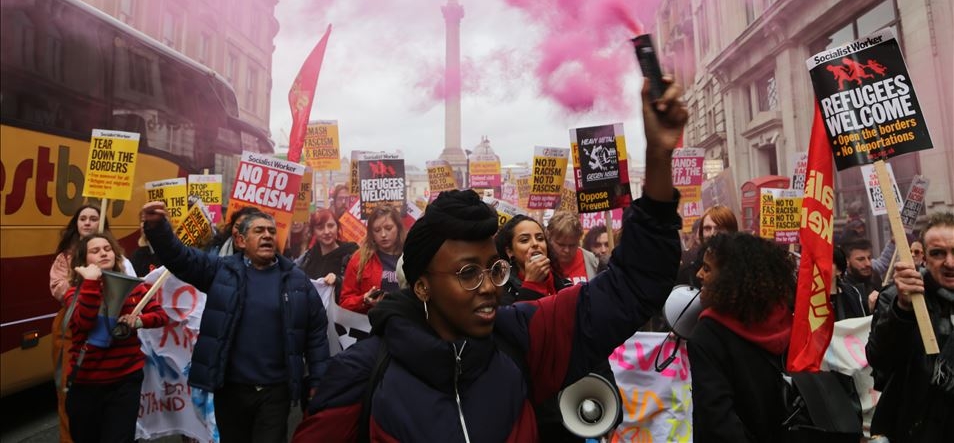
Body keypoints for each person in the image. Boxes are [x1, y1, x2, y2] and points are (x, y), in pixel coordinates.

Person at [293, 77, 687, 441]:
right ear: (422, 285)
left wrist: (658, 156)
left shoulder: (522, 338)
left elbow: (634, 285)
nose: (488, 287)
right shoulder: (363, 373)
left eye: (494, 269)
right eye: (467, 273)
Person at [141, 204, 330, 443]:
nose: (267, 236)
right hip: (231, 389)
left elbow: (316, 335)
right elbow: (180, 258)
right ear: (240, 240)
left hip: (275, 391)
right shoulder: (221, 271)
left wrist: (318, 382)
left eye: (271, 231)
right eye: (259, 231)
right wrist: (158, 228)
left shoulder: (297, 281)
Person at [496, 215, 614, 442]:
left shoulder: (564, 288)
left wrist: (609, 396)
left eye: (539, 238)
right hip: (531, 411)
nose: (535, 244)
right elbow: (517, 344)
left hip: (570, 409)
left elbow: (590, 343)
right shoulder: (500, 294)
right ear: (509, 251)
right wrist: (531, 287)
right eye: (524, 240)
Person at [687, 232, 797, 442]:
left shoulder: (708, 334)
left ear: (730, 278)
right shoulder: (787, 322)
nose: (699, 274)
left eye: (707, 269)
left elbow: (716, 421)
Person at [64, 232, 170, 443]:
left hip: (125, 382)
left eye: (107, 249)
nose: (104, 253)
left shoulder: (135, 288)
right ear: (84, 260)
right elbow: (85, 322)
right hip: (86, 383)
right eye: (95, 251)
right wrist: (91, 283)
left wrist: (138, 321)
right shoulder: (74, 294)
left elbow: (161, 316)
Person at [49, 204, 136, 443]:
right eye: (83, 218)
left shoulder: (117, 257)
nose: (87, 222)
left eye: (93, 218)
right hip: (72, 325)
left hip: (111, 327)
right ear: (76, 224)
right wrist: (85, 286)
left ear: (102, 224)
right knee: (68, 388)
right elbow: (58, 288)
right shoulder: (64, 258)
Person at [866, 211, 954, 443]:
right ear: (924, 257)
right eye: (938, 253)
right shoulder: (897, 297)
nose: (949, 262)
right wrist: (903, 309)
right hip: (913, 428)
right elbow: (879, 360)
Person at [339, 205, 405, 314]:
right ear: (371, 233)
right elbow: (344, 302)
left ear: (398, 228)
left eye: (388, 228)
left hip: (406, 318)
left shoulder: (411, 254)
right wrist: (364, 299)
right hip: (371, 320)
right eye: (377, 230)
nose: (383, 235)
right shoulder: (359, 259)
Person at [296, 208, 359, 302]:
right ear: (313, 231)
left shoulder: (350, 253)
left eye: (331, 226)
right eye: (320, 228)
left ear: (337, 226)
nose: (326, 231)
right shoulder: (307, 257)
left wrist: (338, 280)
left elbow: (358, 283)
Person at [676, 205, 739, 287]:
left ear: (732, 231)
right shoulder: (687, 271)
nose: (712, 234)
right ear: (701, 233)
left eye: (719, 228)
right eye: (707, 228)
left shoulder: (743, 267)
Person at [547, 210, 599, 284]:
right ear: (550, 239)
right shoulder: (541, 262)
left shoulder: (591, 260)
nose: (567, 250)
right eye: (561, 245)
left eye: (572, 245)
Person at [842, 238, 883, 312]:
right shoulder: (843, 290)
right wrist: (869, 309)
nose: (868, 264)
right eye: (861, 259)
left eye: (869, 258)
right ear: (846, 262)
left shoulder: (875, 278)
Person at [832, 246, 867, 320]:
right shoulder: (809, 297)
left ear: (839, 270)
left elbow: (861, 322)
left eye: (827, 262)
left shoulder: (852, 293)